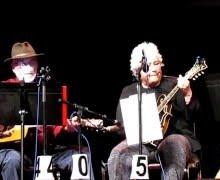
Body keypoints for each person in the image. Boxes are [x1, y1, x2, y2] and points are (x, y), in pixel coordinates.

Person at [0, 41, 96, 180]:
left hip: (44, 151)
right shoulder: (4, 90)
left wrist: (66, 127)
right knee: (13, 160)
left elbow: (56, 127)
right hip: (12, 150)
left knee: (80, 156)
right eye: (24, 63)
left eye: (32, 62)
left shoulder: (46, 89)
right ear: (14, 66)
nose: (30, 67)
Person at [107, 41, 201, 180]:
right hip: (141, 143)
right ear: (138, 71)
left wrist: (187, 93)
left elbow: (194, 114)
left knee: (173, 145)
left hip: (173, 138)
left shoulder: (176, 84)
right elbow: (122, 127)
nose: (154, 69)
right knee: (117, 153)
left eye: (156, 63)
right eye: (148, 66)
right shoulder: (129, 91)